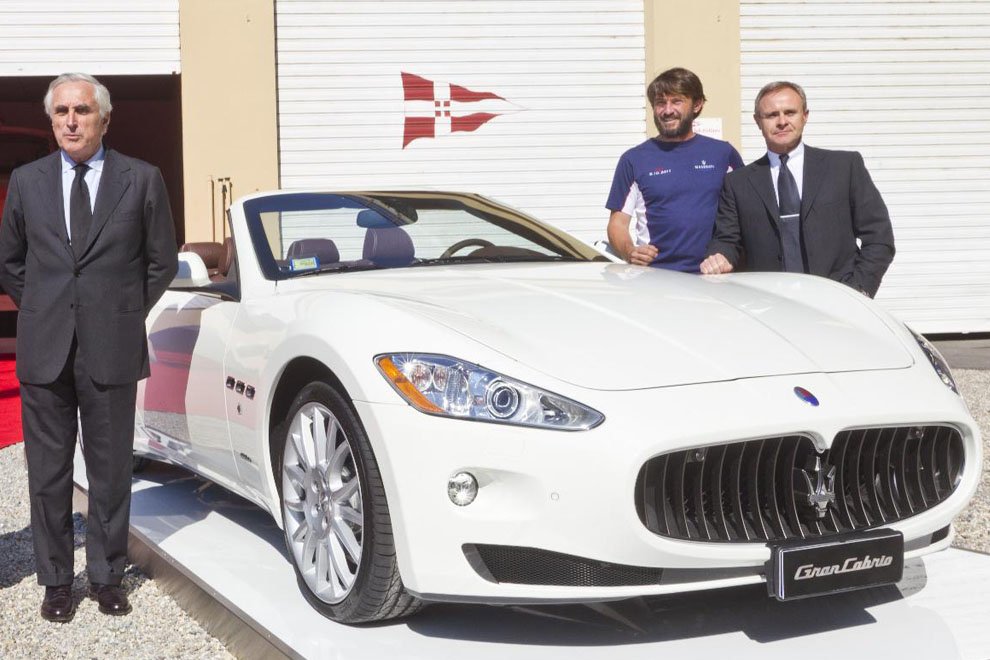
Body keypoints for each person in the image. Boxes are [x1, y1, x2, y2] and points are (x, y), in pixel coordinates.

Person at [0, 73, 177, 622]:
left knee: (110, 472)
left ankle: (106, 576)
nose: (71, 121)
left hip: (112, 348)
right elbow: (10, 261)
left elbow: (161, 262)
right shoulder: (27, 182)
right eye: (61, 112)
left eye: (81, 111)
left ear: (105, 118)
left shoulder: (141, 179)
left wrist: (119, 313)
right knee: (48, 474)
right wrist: (45, 309)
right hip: (45, 349)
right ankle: (56, 582)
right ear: (51, 120)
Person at [700, 81, 894, 297]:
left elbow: (879, 236)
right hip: (770, 303)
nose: (782, 122)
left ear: (805, 116)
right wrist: (720, 256)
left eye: (790, 112)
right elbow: (727, 239)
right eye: (772, 115)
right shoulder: (737, 183)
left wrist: (858, 289)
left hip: (837, 299)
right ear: (758, 121)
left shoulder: (844, 167)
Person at [606, 67, 743, 270]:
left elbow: (744, 216)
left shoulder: (723, 154)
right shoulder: (634, 160)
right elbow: (617, 224)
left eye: (677, 101)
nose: (667, 110)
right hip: (656, 277)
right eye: (660, 103)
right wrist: (630, 251)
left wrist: (730, 257)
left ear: (697, 104)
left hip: (714, 276)